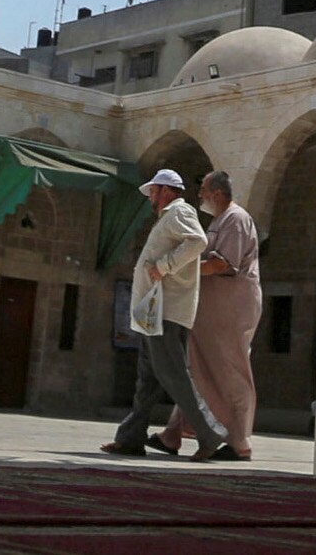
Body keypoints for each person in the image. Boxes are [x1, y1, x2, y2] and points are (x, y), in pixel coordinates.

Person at [101, 168, 228, 461]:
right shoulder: (168, 217)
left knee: (174, 375)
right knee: (147, 379)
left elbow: (198, 241)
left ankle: (209, 434)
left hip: (168, 312)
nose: (151, 197)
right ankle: (131, 438)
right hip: (155, 313)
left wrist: (164, 265)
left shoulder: (179, 212)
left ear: (167, 190)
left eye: (154, 191)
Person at [157, 169, 262, 461]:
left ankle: (240, 442)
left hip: (231, 309)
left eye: (203, 190)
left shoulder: (236, 219)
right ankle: (173, 433)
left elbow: (222, 264)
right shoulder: (220, 220)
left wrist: (177, 267)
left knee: (230, 371)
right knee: (198, 368)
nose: (200, 195)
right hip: (212, 310)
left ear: (216, 193)